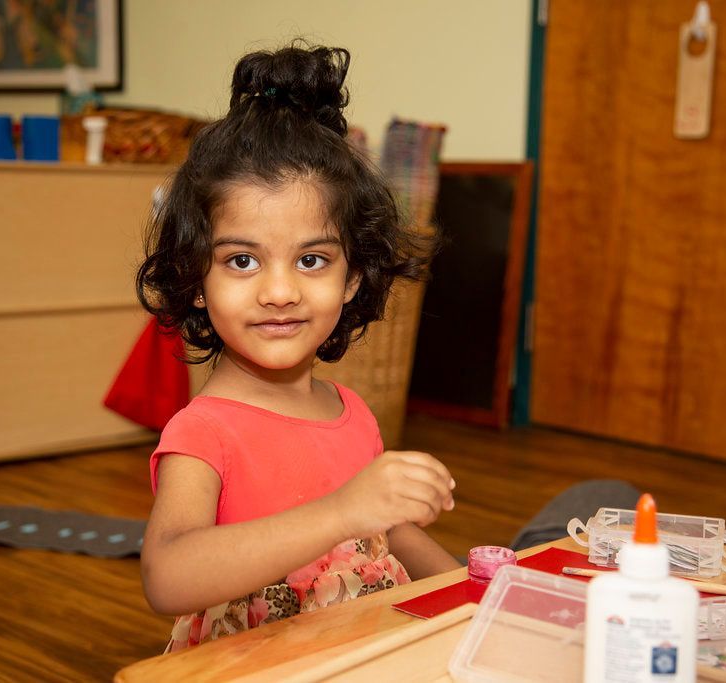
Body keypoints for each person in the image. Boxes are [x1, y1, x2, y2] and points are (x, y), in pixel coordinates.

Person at [136, 43, 460, 652]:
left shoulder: (350, 411)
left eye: (312, 260)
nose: (280, 292)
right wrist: (342, 511)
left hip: (357, 653)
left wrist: (477, 588)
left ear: (353, 278)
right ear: (196, 280)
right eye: (241, 260)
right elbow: (167, 576)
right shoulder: (204, 432)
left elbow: (387, 533)